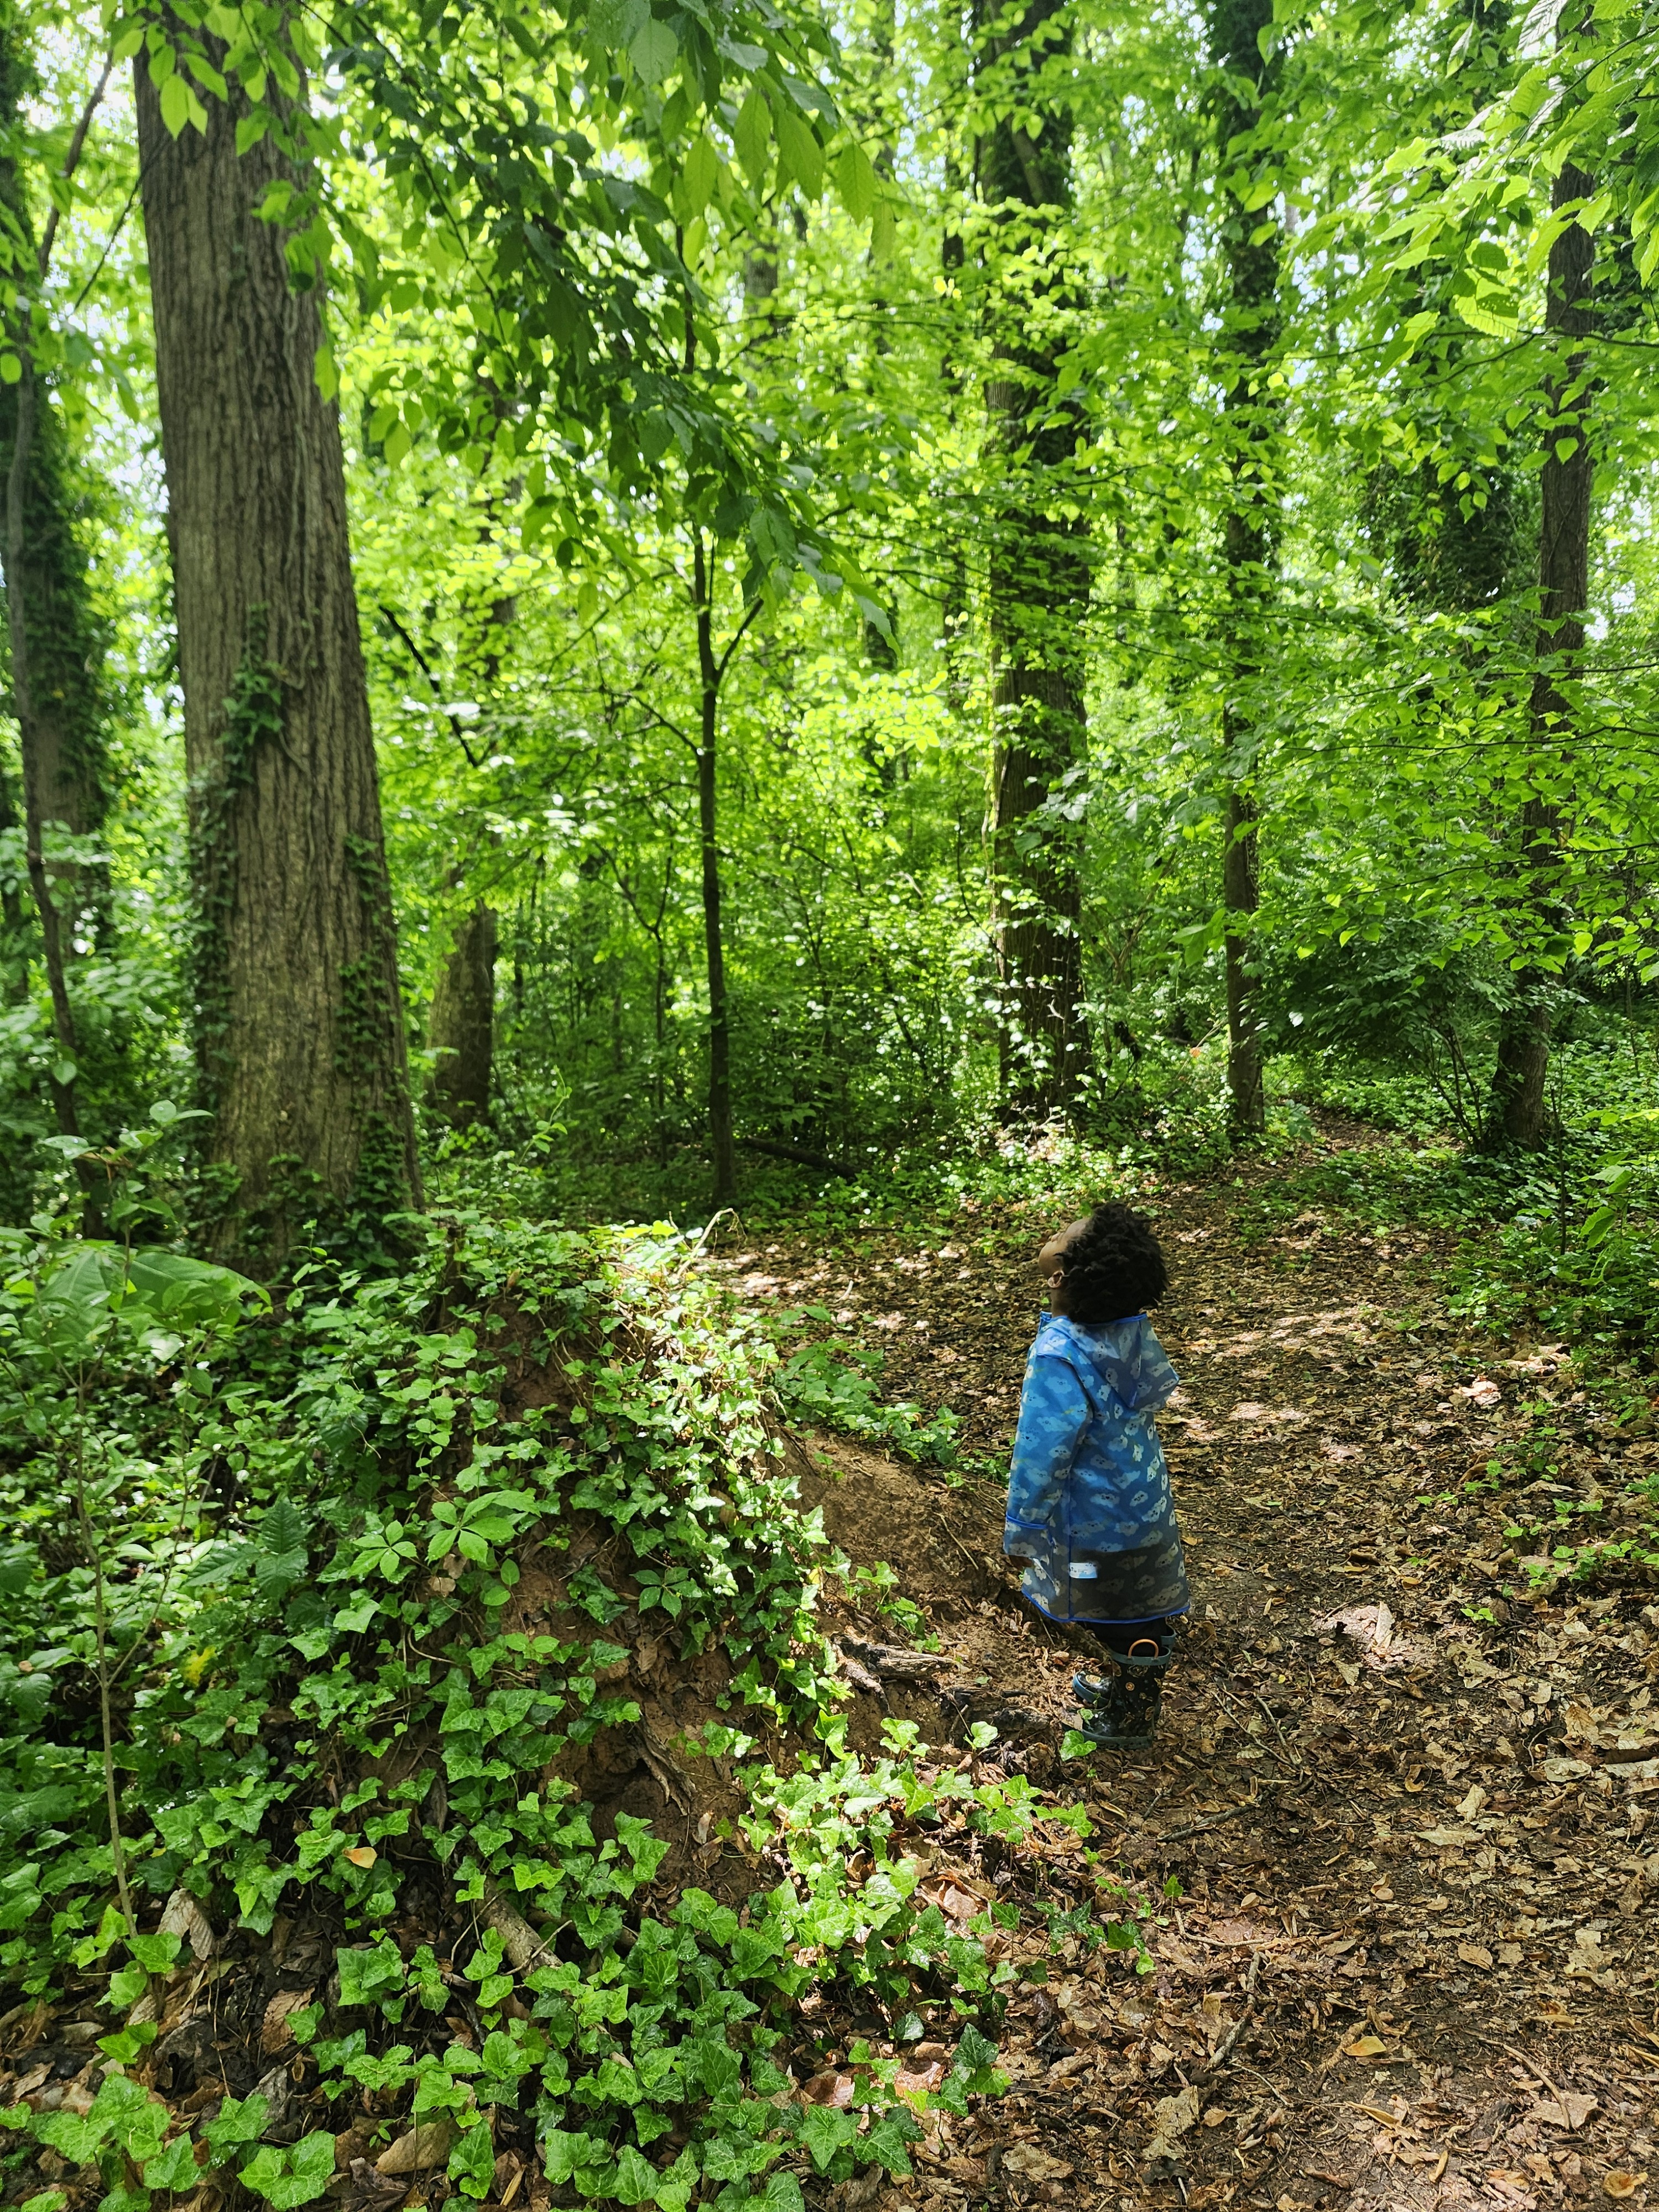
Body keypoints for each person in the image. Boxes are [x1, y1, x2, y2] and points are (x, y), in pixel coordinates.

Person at [1002, 1201, 1188, 1751]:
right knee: (1131, 1609)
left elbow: (1042, 1455)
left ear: (1059, 1275)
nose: (1058, 1225)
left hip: (1099, 1534)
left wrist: (1023, 1528)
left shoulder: (1060, 1352)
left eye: (1065, 1232)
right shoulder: (1128, 1331)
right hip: (1145, 1513)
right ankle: (1128, 1681)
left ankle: (1132, 1712)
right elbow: (1153, 1389)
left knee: (1112, 1614)